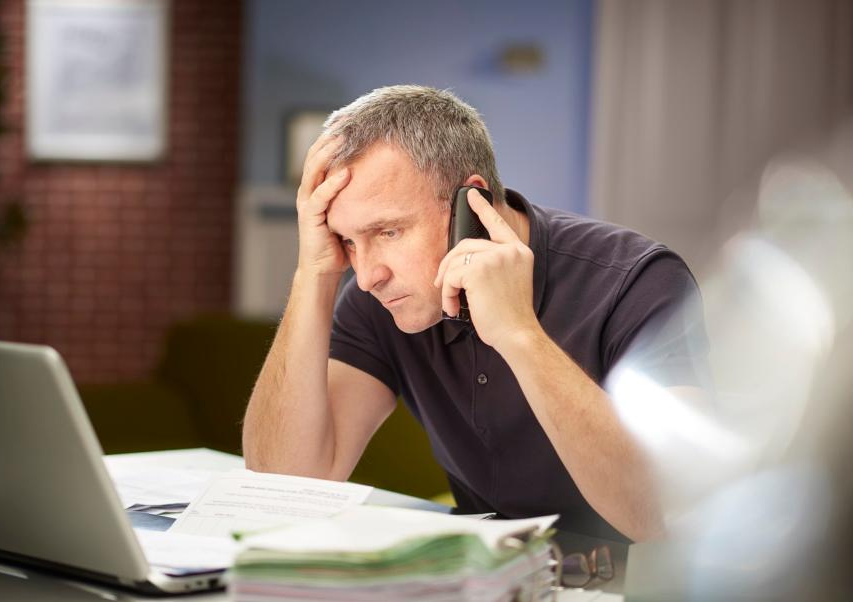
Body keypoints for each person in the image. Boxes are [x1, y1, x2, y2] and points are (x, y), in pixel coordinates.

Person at [242, 85, 709, 542]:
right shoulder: (379, 299)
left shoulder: (638, 281)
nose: (366, 275)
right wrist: (314, 273)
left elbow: (665, 514)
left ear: (474, 204)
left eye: (387, 232)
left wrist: (519, 333)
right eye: (348, 240)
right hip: (485, 575)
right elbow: (286, 485)